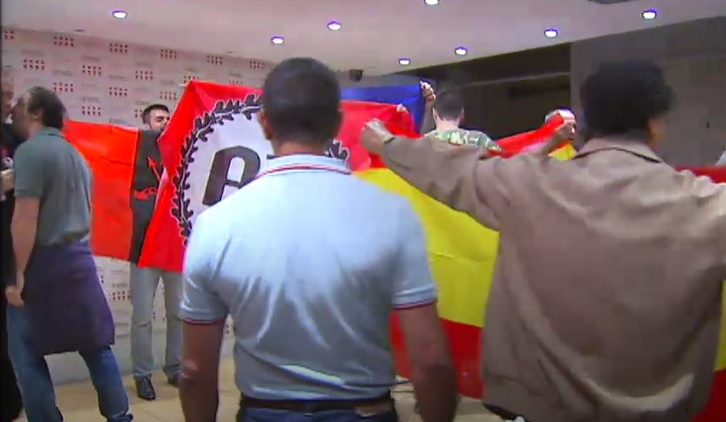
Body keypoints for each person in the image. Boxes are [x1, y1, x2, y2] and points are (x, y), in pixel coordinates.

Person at [361, 60, 726, 422]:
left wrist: (386, 143)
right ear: (656, 125)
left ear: (586, 124)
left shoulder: (527, 184)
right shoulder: (710, 207)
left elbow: (447, 168)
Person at [178, 57, 458, 422]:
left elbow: (195, 372)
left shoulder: (214, 225)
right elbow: (431, 361)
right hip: (366, 412)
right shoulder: (394, 214)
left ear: (264, 122)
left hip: (265, 413)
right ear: (338, 124)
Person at [5, 86, 133, 422]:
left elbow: (25, 218)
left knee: (25, 351)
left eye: (20, 104)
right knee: (96, 346)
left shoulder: (30, 152)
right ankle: (119, 416)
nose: (13, 109)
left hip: (44, 263)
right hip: (79, 258)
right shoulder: (76, 156)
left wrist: (18, 275)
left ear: (36, 112)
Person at [130, 102, 182, 400]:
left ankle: (174, 368)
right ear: (147, 123)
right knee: (142, 317)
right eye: (159, 119)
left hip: (173, 247)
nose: (165, 123)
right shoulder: (136, 152)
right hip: (142, 249)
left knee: (177, 313)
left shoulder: (181, 151)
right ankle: (142, 375)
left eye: (168, 119)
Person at [1, 81, 24, 422]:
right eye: (3, 95)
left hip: (12, 249)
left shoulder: (16, 136)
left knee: (10, 338)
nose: (10, 102)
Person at [424, 89, 502, 153]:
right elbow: (500, 161)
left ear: (434, 113)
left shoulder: (422, 143)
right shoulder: (479, 139)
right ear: (462, 114)